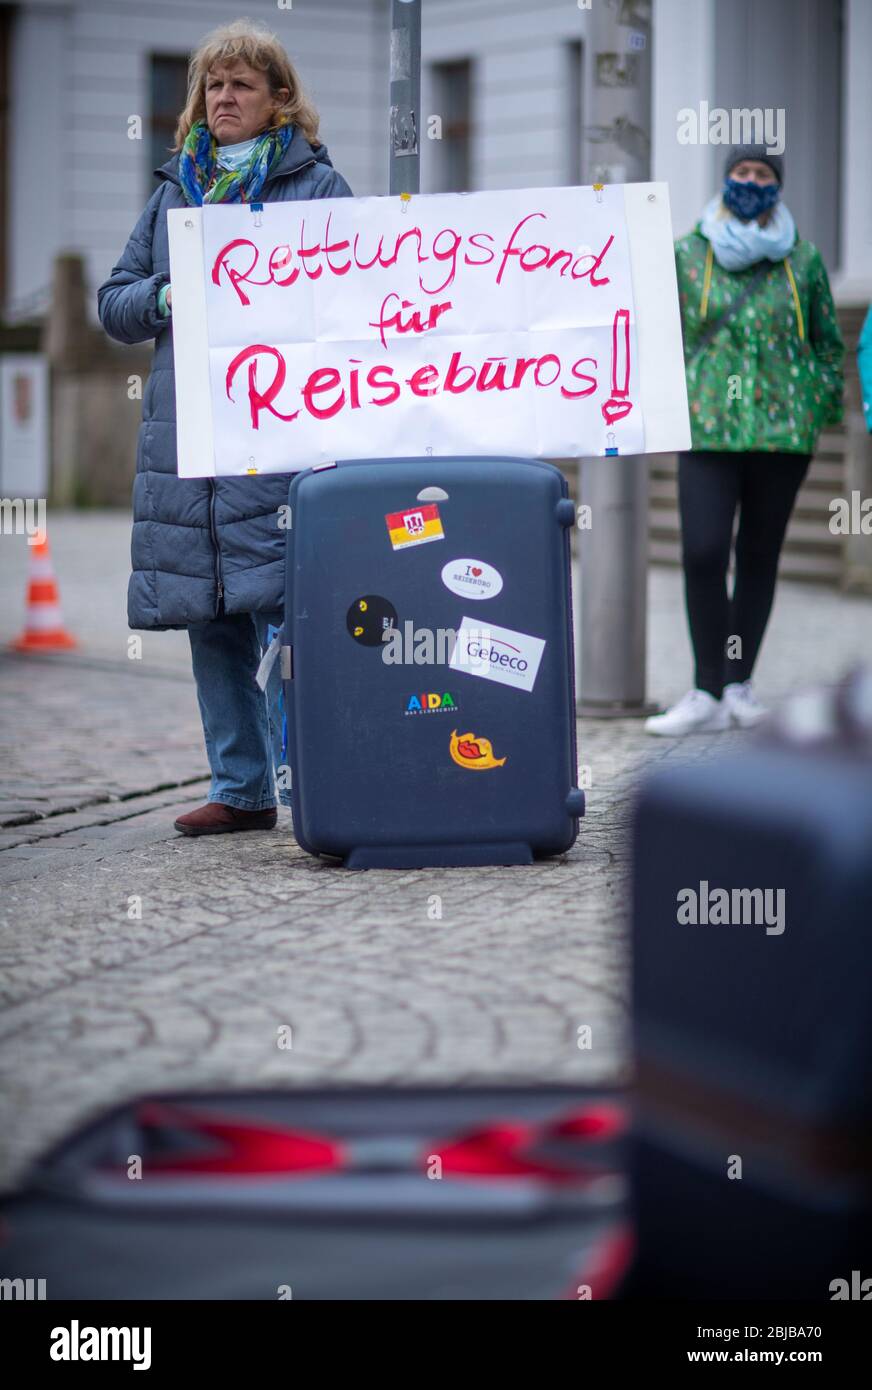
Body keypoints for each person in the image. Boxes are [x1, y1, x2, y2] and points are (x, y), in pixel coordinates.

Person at [98, 20, 352, 832]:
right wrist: (166, 296)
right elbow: (113, 303)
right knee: (211, 613)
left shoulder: (317, 187)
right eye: (213, 86)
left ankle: (312, 784)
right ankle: (241, 791)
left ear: (281, 100)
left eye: (242, 84)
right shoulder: (175, 189)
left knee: (285, 616)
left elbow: (352, 305)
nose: (224, 98)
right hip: (191, 446)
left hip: (277, 435)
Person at [646, 144, 844, 736]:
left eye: (762, 174)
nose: (750, 181)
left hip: (781, 435)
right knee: (704, 552)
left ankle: (738, 683)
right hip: (708, 426)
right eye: (741, 172)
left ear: (777, 186)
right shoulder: (688, 253)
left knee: (758, 557)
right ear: (725, 179)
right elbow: (661, 332)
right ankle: (705, 690)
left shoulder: (803, 259)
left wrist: (815, 406)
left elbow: (829, 341)